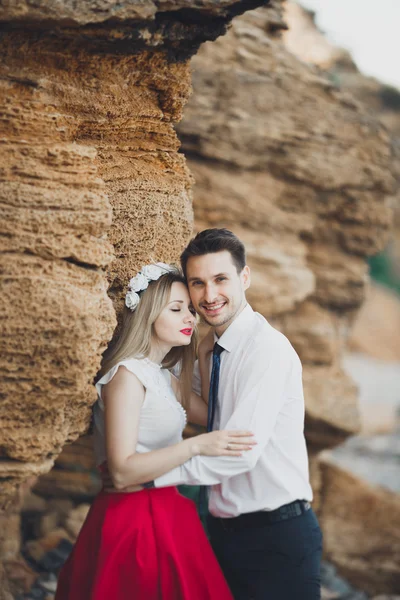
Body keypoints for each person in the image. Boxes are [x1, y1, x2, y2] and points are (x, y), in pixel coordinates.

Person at [140, 230, 323, 600]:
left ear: (244, 278)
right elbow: (205, 411)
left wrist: (148, 476)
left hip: (276, 537)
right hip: (223, 532)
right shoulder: (209, 348)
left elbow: (240, 450)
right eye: (198, 283)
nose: (209, 296)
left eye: (220, 279)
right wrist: (143, 367)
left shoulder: (266, 351)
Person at [55, 262, 255, 600]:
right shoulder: (127, 376)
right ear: (148, 314)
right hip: (130, 520)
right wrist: (196, 447)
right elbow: (121, 471)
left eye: (191, 310)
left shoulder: (163, 377)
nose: (190, 318)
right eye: (176, 309)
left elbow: (215, 416)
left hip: (168, 511)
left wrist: (206, 350)